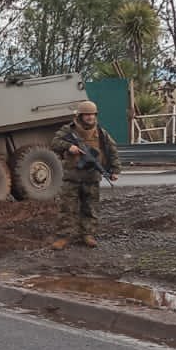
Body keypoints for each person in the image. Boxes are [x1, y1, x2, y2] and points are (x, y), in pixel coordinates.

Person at [48, 100, 120, 249]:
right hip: (71, 176)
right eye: (87, 114)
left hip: (91, 176)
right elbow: (54, 142)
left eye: (92, 114)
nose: (90, 117)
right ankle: (63, 237)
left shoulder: (100, 133)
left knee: (90, 207)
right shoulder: (68, 130)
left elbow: (112, 150)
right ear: (80, 115)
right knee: (67, 208)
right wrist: (69, 146)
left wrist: (114, 170)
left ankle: (88, 234)